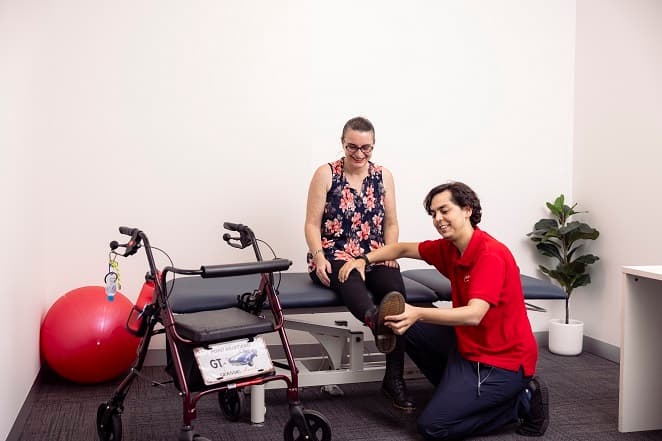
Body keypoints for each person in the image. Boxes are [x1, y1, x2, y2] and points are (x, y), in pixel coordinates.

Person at [339, 181, 549, 440]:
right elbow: (401, 248)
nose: (438, 219)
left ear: (467, 209)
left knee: (433, 427)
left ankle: (521, 402)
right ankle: (455, 391)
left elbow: (474, 315)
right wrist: (363, 259)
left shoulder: (490, 255)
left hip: (501, 362)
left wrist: (418, 312)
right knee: (401, 323)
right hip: (467, 347)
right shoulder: (449, 248)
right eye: (433, 213)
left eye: (444, 210)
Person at [304, 116, 415, 412]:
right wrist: (318, 256)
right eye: (352, 147)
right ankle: (374, 320)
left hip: (374, 254)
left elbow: (391, 223)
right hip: (334, 253)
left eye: (366, 148)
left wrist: (389, 253)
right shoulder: (326, 173)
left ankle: (393, 379)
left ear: (373, 146)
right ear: (342, 143)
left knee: (395, 292)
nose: (359, 153)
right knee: (349, 276)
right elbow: (312, 224)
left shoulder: (383, 176)